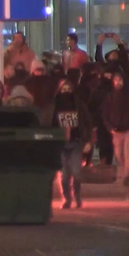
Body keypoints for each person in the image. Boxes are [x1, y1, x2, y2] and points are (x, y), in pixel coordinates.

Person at [43, 80, 93, 209]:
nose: (66, 92)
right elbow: (47, 124)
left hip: (75, 143)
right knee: (64, 175)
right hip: (60, 145)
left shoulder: (79, 106)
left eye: (68, 89)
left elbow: (87, 124)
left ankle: (77, 196)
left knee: (76, 172)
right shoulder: (53, 107)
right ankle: (67, 198)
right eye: (63, 89)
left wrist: (88, 141)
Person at [102, 72, 129, 189]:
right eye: (115, 80)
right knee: (119, 154)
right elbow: (105, 113)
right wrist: (109, 127)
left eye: (120, 80)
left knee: (128, 153)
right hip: (116, 130)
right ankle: (126, 170)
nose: (118, 82)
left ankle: (127, 175)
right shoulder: (110, 95)